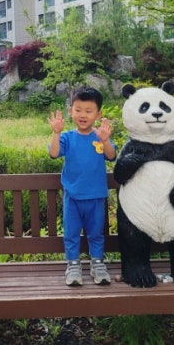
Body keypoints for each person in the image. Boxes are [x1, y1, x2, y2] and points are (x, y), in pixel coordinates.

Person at [48, 86, 117, 286]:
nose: (83, 115)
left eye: (88, 111)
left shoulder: (100, 137)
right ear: (71, 111)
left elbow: (111, 156)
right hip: (73, 197)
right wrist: (56, 133)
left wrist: (105, 140)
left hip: (96, 197)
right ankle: (73, 265)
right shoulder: (67, 137)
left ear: (98, 114)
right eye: (78, 110)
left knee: (96, 234)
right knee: (71, 234)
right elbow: (54, 153)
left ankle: (97, 264)